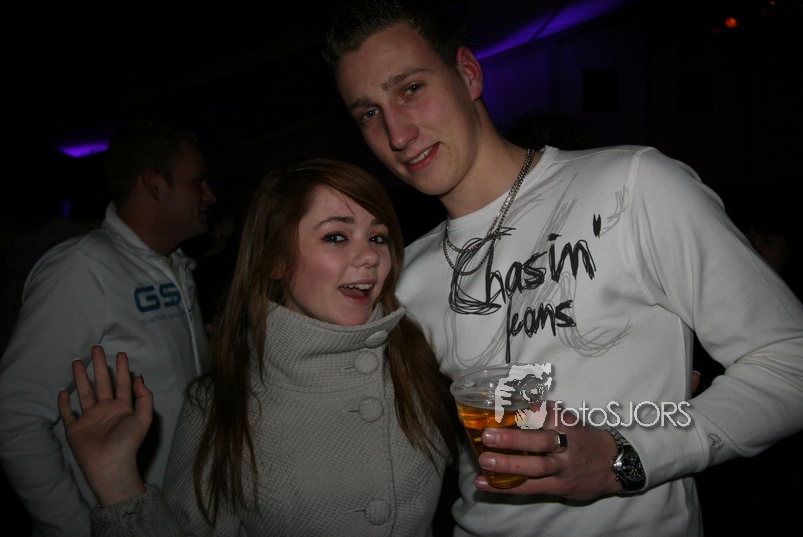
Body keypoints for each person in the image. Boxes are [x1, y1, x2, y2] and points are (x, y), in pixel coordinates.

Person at [322, 1, 803, 536]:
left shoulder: (632, 186)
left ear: (468, 73)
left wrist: (627, 455)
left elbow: (790, 361)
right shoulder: (406, 277)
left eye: (411, 89)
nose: (397, 134)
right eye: (369, 113)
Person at [58, 158, 459, 536]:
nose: (370, 255)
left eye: (378, 237)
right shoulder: (219, 404)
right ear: (275, 261)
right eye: (335, 236)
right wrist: (117, 482)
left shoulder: (419, 359)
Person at [0, 119, 216, 537]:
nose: (210, 195)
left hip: (182, 516)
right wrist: (77, 527)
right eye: (198, 181)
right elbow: (16, 418)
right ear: (154, 184)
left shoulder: (174, 266)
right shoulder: (82, 268)